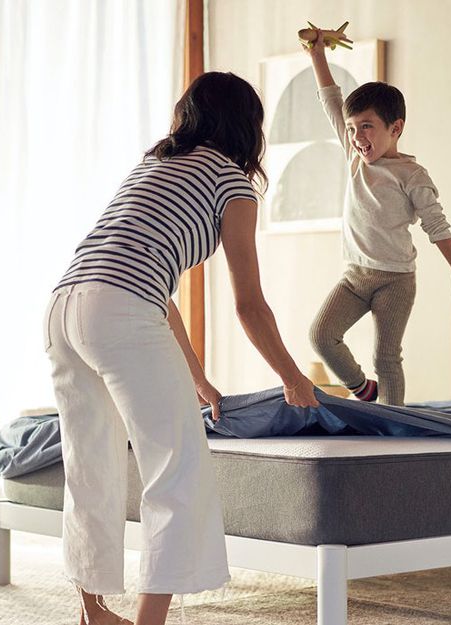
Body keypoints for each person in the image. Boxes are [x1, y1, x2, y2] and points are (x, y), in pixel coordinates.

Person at [43, 71, 320, 625]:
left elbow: (156, 295)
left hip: (64, 306)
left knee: (90, 465)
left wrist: (199, 380)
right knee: (179, 468)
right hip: (119, 307)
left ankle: (94, 616)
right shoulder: (232, 182)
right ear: (248, 124)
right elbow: (249, 304)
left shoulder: (154, 165)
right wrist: (294, 379)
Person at [304, 29, 451, 406]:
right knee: (321, 335)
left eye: (366, 126)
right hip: (355, 275)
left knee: (386, 357)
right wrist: (317, 55)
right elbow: (331, 101)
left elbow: (437, 228)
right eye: (352, 129)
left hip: (395, 280)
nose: (357, 136)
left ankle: (394, 429)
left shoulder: (412, 177)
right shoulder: (354, 158)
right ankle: (363, 390)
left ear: (395, 128)